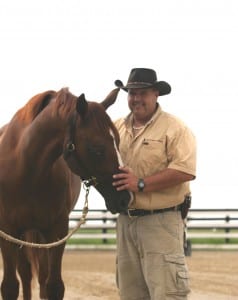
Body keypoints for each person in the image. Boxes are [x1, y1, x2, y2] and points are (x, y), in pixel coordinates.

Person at [112, 68, 196, 300]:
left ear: (156, 94)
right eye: (132, 93)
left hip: (161, 222)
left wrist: (139, 183)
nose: (136, 99)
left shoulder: (175, 129)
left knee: (166, 293)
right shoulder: (116, 128)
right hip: (125, 222)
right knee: (130, 294)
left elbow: (184, 170)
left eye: (143, 93)